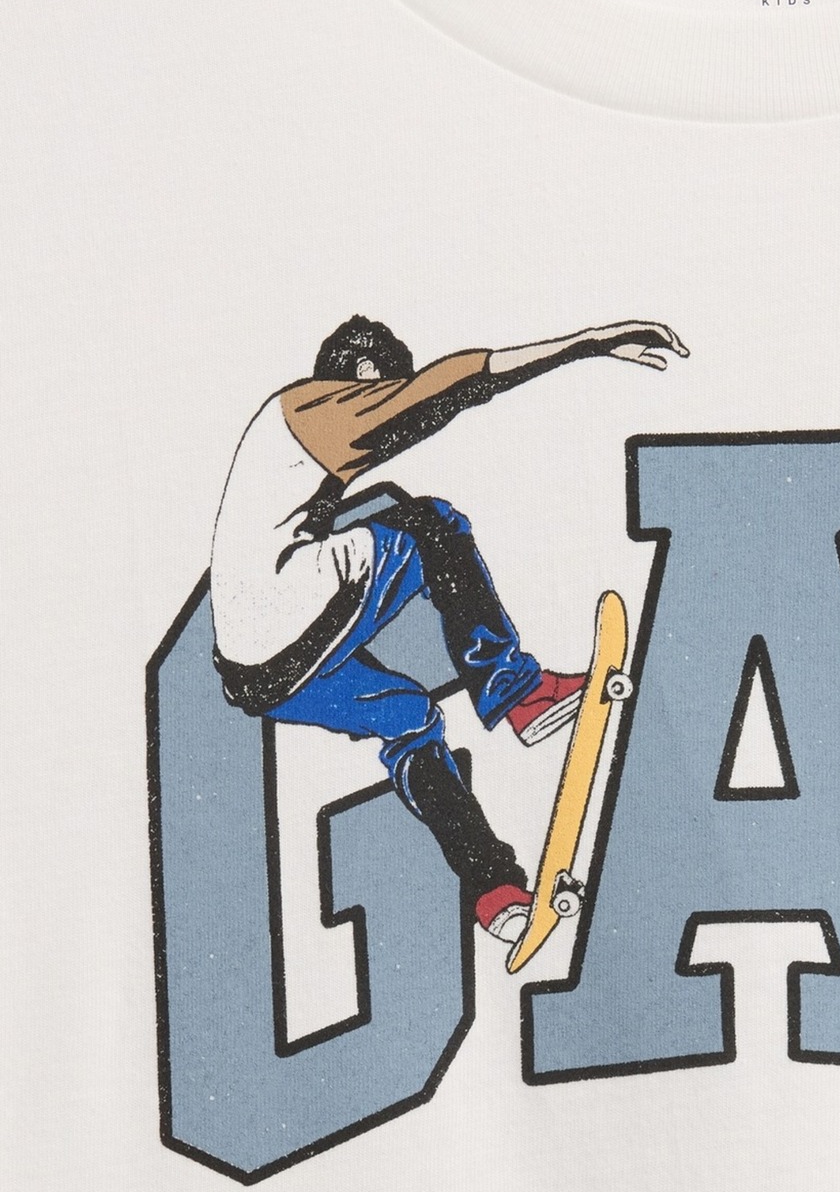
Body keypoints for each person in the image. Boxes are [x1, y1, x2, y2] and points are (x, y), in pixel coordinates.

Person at [209, 313, 687, 947]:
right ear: (366, 375)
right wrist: (584, 345)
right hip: (287, 610)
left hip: (256, 677)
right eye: (385, 387)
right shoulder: (311, 409)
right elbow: (451, 385)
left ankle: (494, 892)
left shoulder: (288, 453)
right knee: (433, 526)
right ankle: (517, 691)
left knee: (408, 718)